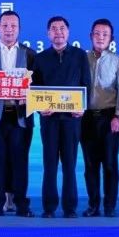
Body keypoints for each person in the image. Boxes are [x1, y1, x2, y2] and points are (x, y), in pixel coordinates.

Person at [0, 10, 35, 218]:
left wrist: (30, 98)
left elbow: (37, 87)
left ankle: (21, 204)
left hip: (20, 116)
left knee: (20, 161)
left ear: (19, 29)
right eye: (5, 26)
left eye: (13, 26)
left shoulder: (29, 54)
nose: (9, 30)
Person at [32, 16, 90, 218]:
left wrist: (83, 107)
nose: (58, 32)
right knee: (49, 164)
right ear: (48, 33)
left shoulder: (79, 55)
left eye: (62, 28)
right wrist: (40, 109)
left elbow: (86, 84)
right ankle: (49, 207)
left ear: (68, 31)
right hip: (49, 120)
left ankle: (70, 207)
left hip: (72, 119)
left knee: (69, 165)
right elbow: (35, 88)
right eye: (54, 29)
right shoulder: (40, 58)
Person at [82, 18, 119, 217]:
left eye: (105, 34)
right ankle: (93, 205)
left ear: (111, 38)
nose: (100, 37)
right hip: (86, 118)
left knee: (109, 164)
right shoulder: (82, 59)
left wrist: (118, 116)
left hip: (110, 118)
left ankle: (109, 206)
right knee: (90, 165)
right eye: (97, 33)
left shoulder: (118, 61)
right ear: (91, 36)